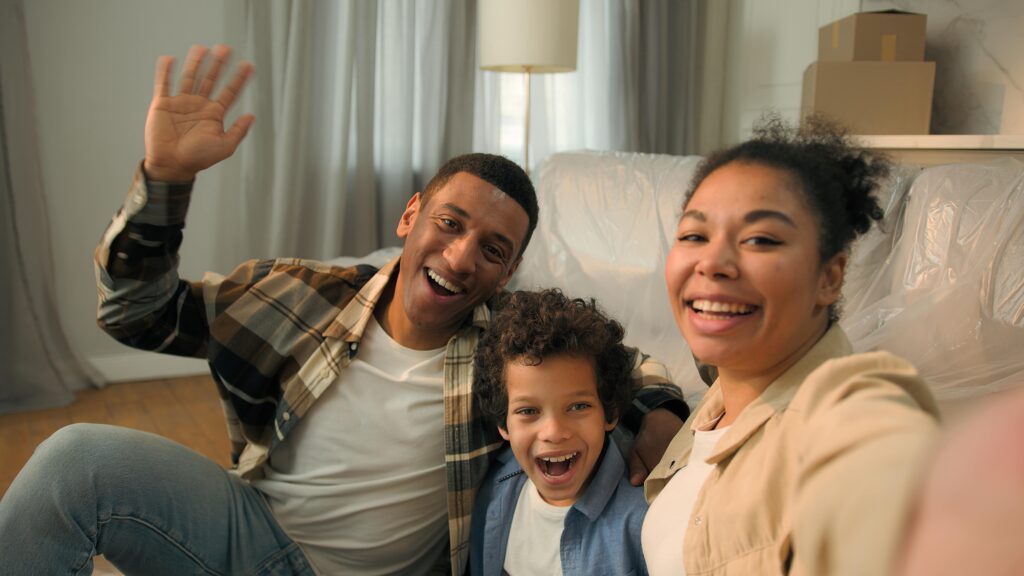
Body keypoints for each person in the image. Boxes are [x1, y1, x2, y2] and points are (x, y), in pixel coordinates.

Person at [0, 45, 687, 575]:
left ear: (509, 270)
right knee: (73, 461)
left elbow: (622, 363)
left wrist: (660, 413)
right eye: (449, 224)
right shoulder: (303, 293)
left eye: (492, 248)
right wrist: (167, 182)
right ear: (410, 215)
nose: (460, 256)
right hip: (254, 534)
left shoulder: (508, 343)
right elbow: (136, 314)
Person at [640, 116, 944, 575]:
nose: (713, 262)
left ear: (829, 277)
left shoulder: (854, 414)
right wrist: (656, 406)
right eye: (694, 236)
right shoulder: (723, 392)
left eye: (760, 239)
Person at [469, 289, 651, 576]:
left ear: (611, 413)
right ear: (503, 424)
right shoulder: (494, 490)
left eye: (578, 406)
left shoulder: (645, 520)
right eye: (528, 411)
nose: (554, 432)